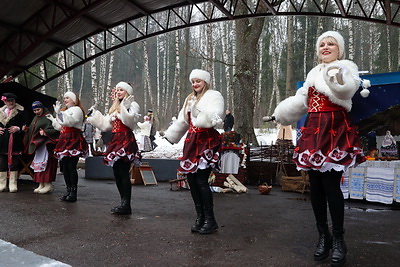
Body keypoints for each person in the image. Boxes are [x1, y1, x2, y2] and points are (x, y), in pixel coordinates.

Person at [266, 31, 368, 266]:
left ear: (339, 49)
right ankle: (324, 236)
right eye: (322, 44)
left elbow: (346, 89)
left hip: (334, 128)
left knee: (331, 185)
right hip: (313, 129)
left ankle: (339, 239)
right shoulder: (313, 72)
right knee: (315, 186)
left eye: (331, 44)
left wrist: (336, 77)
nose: (325, 47)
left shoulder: (346, 67)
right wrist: (279, 114)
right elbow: (301, 100)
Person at [164, 69, 224, 234]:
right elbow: (184, 120)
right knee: (191, 180)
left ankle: (210, 219)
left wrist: (198, 111)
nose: (195, 84)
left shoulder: (214, 96)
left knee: (202, 181)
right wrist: (171, 134)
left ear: (205, 82)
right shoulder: (190, 98)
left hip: (207, 141)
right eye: (193, 81)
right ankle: (200, 217)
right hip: (192, 141)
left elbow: (215, 117)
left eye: (198, 81)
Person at [87, 81, 141, 215]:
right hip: (115, 139)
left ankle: (126, 204)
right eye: (117, 90)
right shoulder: (115, 106)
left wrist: (124, 108)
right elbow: (106, 126)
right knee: (117, 173)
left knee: (123, 172)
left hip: (126, 139)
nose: (118, 92)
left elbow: (129, 122)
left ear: (128, 91)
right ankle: (123, 202)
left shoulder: (133, 104)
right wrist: (95, 115)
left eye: (121, 90)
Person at [46, 91, 88, 202]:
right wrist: (53, 119)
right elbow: (60, 127)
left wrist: (59, 113)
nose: (65, 100)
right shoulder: (66, 110)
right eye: (64, 98)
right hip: (64, 138)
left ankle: (73, 192)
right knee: (65, 166)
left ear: (74, 100)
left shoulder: (77, 110)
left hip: (73, 138)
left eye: (67, 98)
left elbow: (70, 122)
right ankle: (68, 190)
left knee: (71, 166)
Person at [22, 101, 59, 194]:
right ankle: (41, 184)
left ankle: (48, 184)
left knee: (46, 165)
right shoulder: (35, 118)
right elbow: (32, 129)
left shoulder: (48, 117)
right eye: (34, 110)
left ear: (42, 108)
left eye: (38, 109)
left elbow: (56, 128)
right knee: (38, 164)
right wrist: (27, 130)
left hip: (46, 145)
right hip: (38, 146)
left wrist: (46, 132)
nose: (36, 112)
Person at [0, 93, 26, 192]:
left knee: (14, 163)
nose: (11, 102)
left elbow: (25, 124)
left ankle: (13, 184)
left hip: (14, 140)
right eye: (8, 101)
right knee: (2, 163)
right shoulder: (0, 111)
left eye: (12, 100)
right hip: (2, 141)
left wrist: (18, 128)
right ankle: (2, 184)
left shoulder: (21, 111)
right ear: (5, 101)